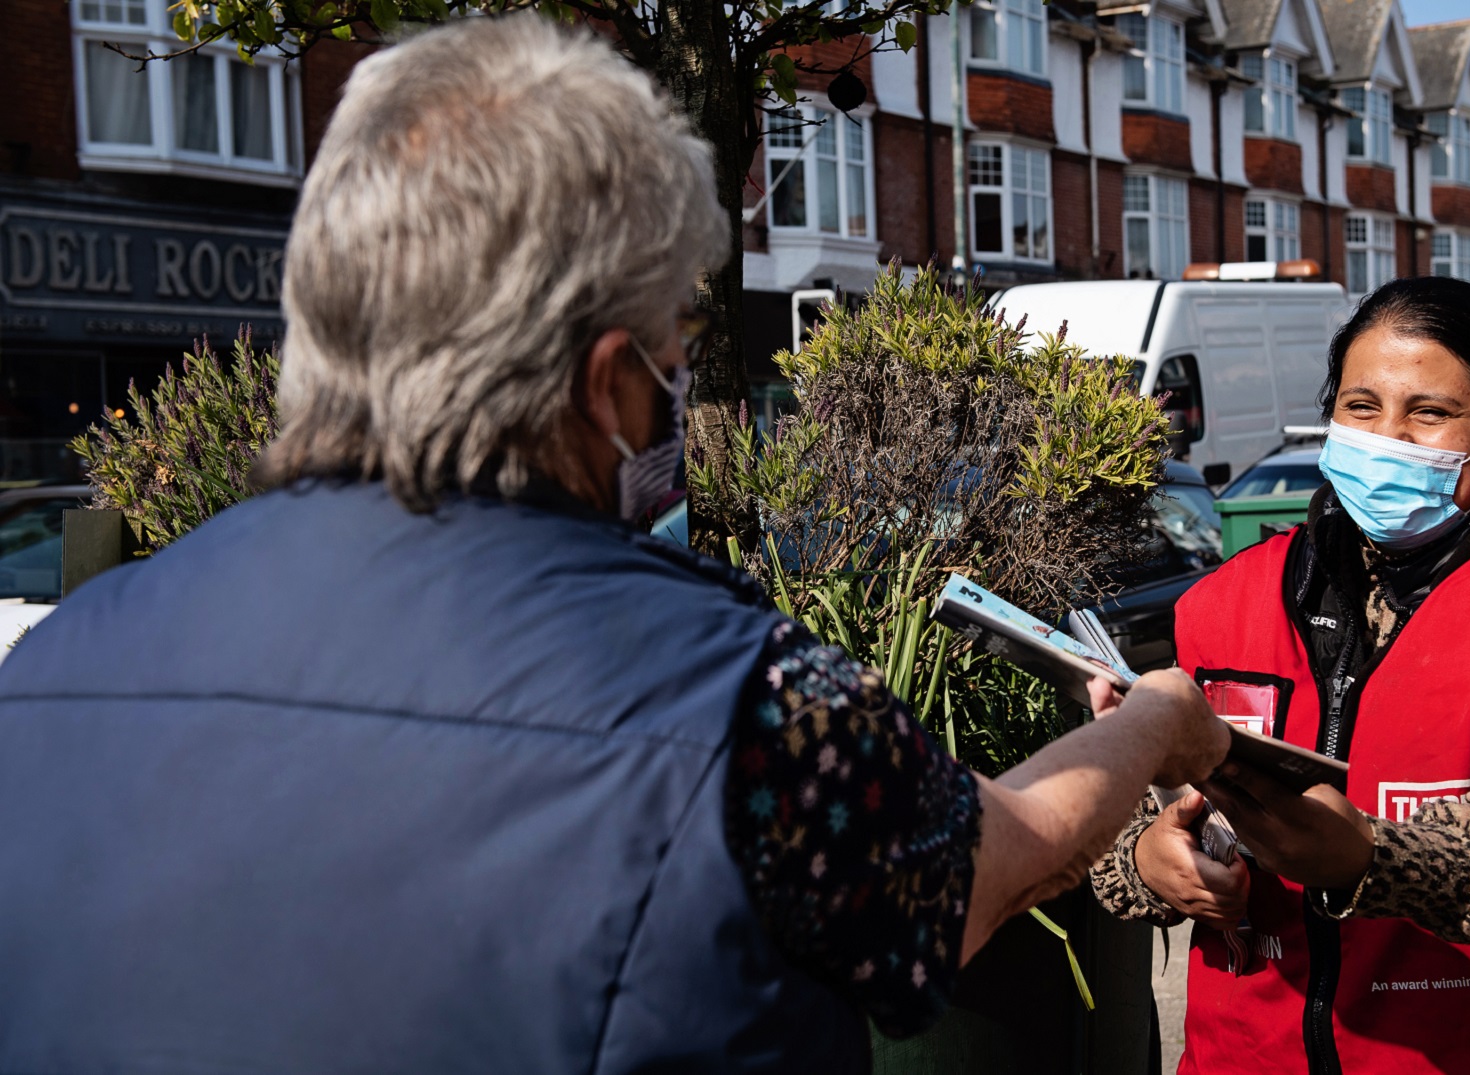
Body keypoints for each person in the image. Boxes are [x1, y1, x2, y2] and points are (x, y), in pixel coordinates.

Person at [0, 18, 1227, 1074]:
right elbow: (982, 874)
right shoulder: (753, 699)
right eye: (674, 341)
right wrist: (1158, 719)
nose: (681, 382)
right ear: (608, 383)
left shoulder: (54, 670)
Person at [1092, 276, 1470, 1073]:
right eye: (1362, 406)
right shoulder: (1226, 601)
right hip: (1247, 1052)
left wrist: (1363, 859)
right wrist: (1149, 860)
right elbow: (1124, 832)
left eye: (1431, 413)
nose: (1389, 437)